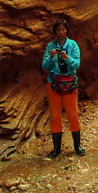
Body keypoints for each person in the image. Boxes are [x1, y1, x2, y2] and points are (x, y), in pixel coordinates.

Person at [41, 19, 85, 158]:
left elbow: (76, 64)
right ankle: (56, 148)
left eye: (63, 29)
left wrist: (66, 57)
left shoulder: (72, 45)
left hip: (69, 83)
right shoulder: (50, 46)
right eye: (58, 30)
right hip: (53, 83)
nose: (61, 32)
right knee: (55, 116)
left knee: (72, 115)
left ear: (66, 30)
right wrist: (52, 57)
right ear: (55, 32)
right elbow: (45, 66)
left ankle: (77, 146)